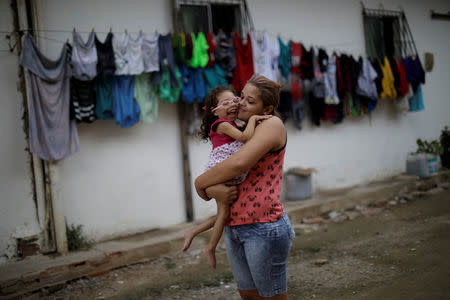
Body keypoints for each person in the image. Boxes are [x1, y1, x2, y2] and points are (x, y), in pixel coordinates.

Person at [195, 75, 295, 300]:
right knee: (249, 296)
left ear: (266, 108)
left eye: (250, 101)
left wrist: (200, 183)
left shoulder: (271, 124)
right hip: (235, 225)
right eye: (241, 97)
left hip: (263, 227)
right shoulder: (238, 127)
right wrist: (212, 190)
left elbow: (239, 164)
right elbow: (223, 173)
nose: (240, 103)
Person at [182, 86, 271, 270]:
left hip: (228, 174)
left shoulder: (231, 125)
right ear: (215, 112)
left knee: (225, 213)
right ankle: (210, 247)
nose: (232, 104)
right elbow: (245, 138)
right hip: (219, 173)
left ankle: (194, 232)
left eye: (234, 100)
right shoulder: (221, 124)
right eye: (225, 103)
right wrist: (254, 118)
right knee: (224, 213)